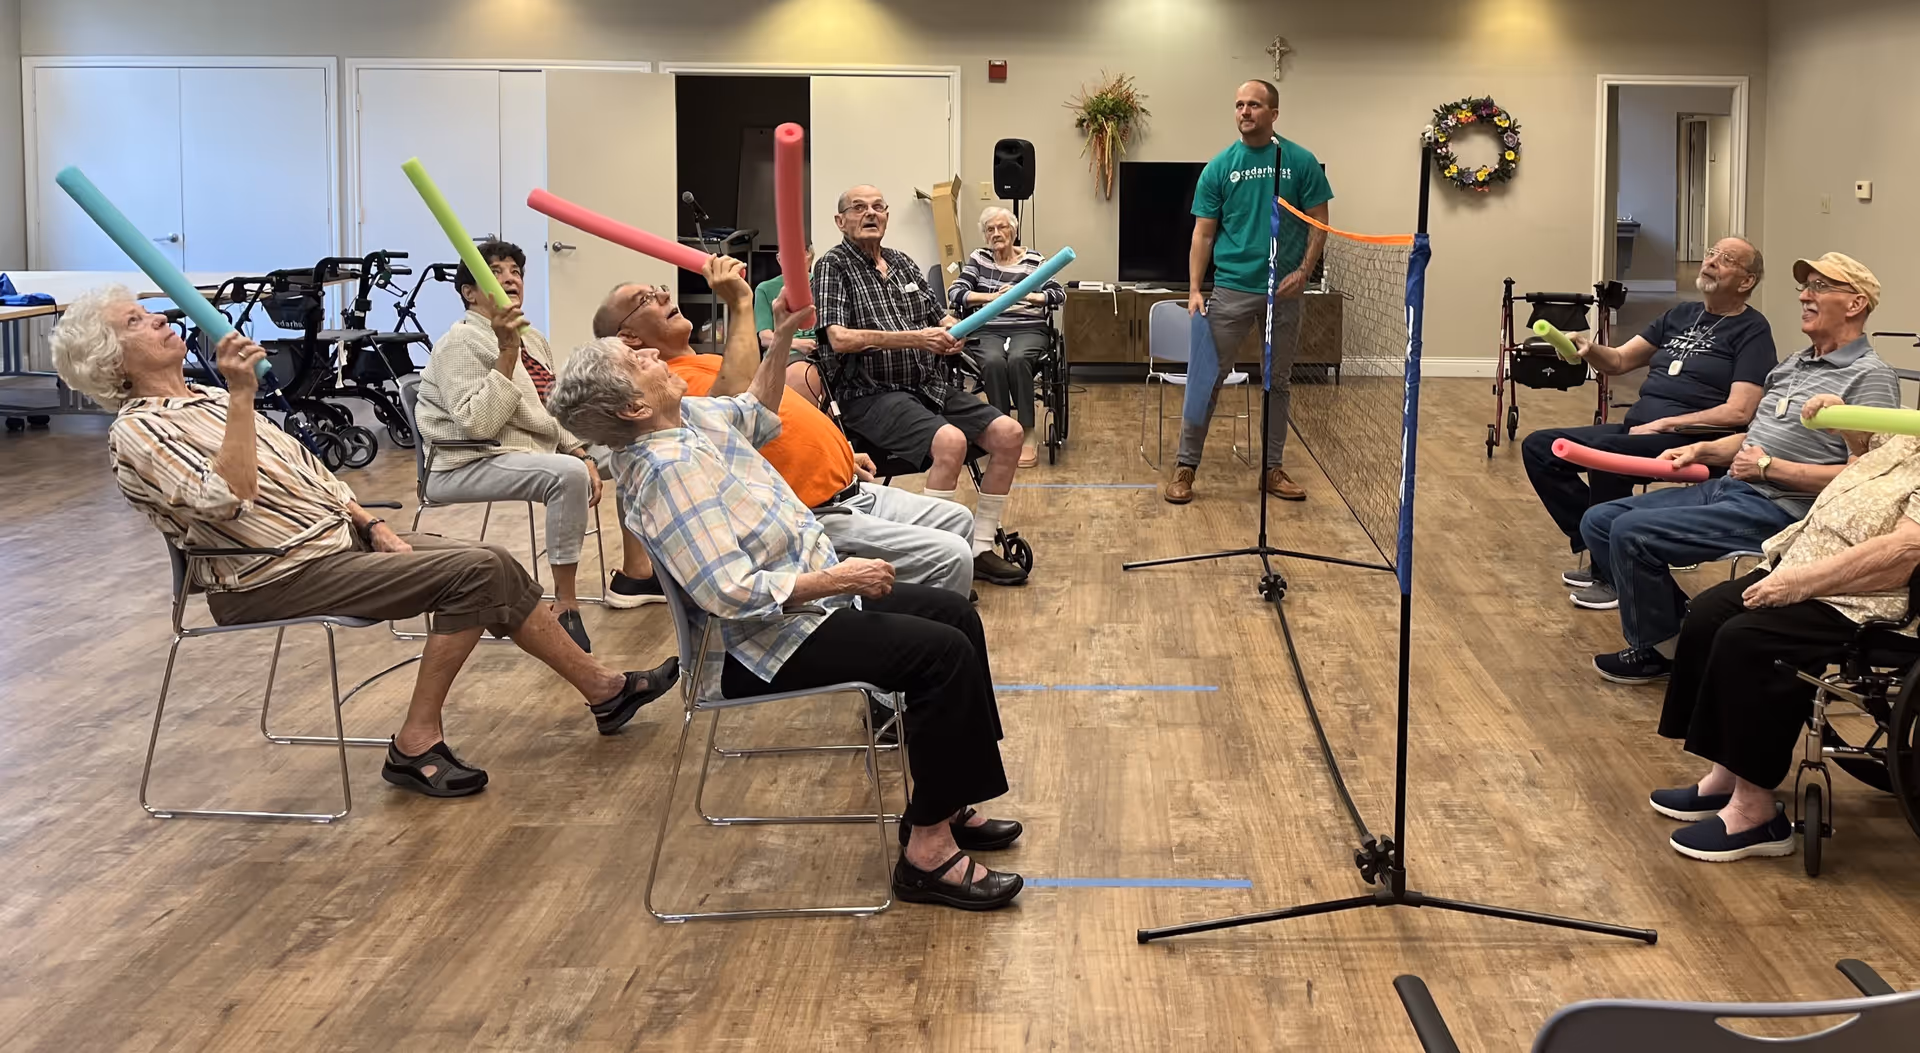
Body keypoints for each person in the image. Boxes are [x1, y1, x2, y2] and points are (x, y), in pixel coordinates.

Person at [49, 287, 679, 798]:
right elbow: (226, 497)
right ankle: (415, 743)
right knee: (479, 570)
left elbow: (313, 471)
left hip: (338, 545)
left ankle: (605, 692)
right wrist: (244, 395)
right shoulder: (138, 431)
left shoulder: (210, 399)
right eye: (136, 320)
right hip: (270, 575)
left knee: (499, 566)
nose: (158, 318)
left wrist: (371, 523)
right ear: (110, 360)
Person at [546, 295, 1025, 912]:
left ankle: (947, 799)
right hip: (763, 645)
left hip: (802, 612)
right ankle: (926, 854)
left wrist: (782, 340)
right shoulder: (665, 469)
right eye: (634, 359)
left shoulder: (687, 422)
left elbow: (753, 408)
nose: (647, 354)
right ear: (635, 407)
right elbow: (731, 593)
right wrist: (840, 580)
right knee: (941, 655)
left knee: (954, 615)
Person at [1578, 252, 1900, 684]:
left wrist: (1771, 469)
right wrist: (1703, 451)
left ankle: (1658, 650)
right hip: (1735, 487)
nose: (1805, 295)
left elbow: (1872, 481)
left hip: (1788, 510)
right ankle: (1678, 635)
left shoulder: (1869, 378)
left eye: (1821, 287)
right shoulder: (1793, 364)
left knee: (1632, 534)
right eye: (1805, 287)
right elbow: (1753, 439)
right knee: (1600, 520)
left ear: (1856, 304)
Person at [591, 257, 976, 596]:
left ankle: (914, 614)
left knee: (958, 520)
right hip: (811, 515)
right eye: (644, 299)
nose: (662, 296)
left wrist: (837, 456)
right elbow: (744, 409)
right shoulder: (668, 388)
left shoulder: (701, 362)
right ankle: (908, 640)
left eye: (658, 289)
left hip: (847, 489)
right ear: (629, 337)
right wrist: (741, 303)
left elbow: (767, 415)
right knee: (952, 558)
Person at [1652, 394, 1920, 863]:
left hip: (1872, 598)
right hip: (1809, 565)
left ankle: (1757, 816)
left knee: (1748, 640)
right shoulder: (1912, 433)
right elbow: (1871, 447)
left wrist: (1800, 583)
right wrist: (1844, 421)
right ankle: (1727, 776)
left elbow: (1904, 554)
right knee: (1709, 614)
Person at [413, 241, 648, 650]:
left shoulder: (533, 338)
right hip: (465, 461)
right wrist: (506, 353)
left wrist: (578, 450)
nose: (509, 278)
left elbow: (555, 409)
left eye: (515, 272)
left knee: (637, 445)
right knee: (568, 476)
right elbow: (477, 424)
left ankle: (638, 572)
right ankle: (565, 603)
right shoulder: (461, 343)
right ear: (469, 292)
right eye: (495, 272)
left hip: (529, 449)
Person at [813, 184, 1031, 587]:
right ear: (840, 221)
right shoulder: (832, 266)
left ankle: (978, 548)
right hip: (869, 394)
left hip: (926, 386)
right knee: (951, 442)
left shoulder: (903, 263)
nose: (871, 214)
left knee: (1009, 433)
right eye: (859, 208)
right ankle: (938, 562)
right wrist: (919, 338)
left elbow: (938, 317)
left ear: (888, 215)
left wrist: (954, 331)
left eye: (878, 206)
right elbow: (839, 338)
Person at [1526, 238, 1775, 582]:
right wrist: (1587, 347)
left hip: (1688, 441)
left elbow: (1739, 412)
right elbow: (1618, 360)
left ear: (1747, 281)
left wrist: (1667, 425)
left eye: (1727, 259)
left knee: (1605, 451)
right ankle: (1599, 542)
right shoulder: (1681, 314)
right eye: (1711, 253)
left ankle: (1609, 575)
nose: (1713, 261)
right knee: (1540, 448)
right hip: (1637, 430)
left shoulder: (1752, 330)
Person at [1167, 78, 1333, 506]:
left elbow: (1320, 219)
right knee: (1206, 379)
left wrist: (1305, 272)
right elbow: (1202, 235)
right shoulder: (1220, 167)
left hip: (1285, 292)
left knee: (1277, 383)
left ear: (1273, 113)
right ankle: (1185, 469)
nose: (1245, 111)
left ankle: (1272, 470)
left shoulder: (1299, 161)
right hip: (1231, 289)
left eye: (1254, 105)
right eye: (1239, 104)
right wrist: (1194, 289)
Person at [947, 207, 1065, 468]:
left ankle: (1027, 432)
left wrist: (1029, 295)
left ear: (1014, 231)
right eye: (990, 229)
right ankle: (1000, 429)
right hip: (988, 327)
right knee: (992, 361)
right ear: (985, 235)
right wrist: (992, 298)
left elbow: (1058, 294)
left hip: (1028, 327)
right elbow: (955, 292)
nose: (997, 234)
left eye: (1002, 227)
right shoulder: (979, 259)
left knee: (1018, 359)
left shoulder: (1034, 260)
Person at [754, 243, 823, 406]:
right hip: (789, 353)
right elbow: (765, 338)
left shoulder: (824, 285)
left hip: (826, 352)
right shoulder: (765, 289)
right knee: (804, 378)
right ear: (779, 259)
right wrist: (797, 344)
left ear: (809, 256)